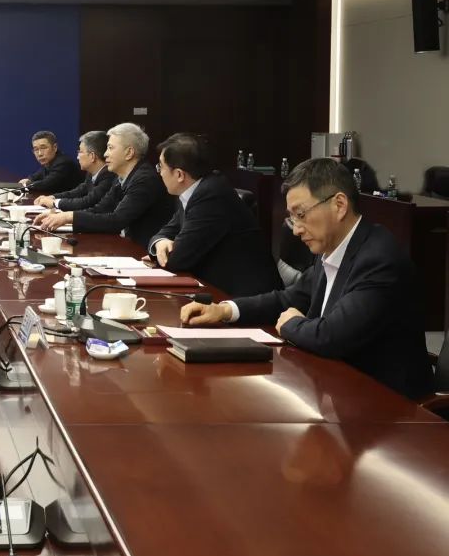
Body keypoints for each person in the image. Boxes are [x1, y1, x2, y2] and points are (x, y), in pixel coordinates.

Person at [180, 158, 433, 400]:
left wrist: (291, 324)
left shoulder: (378, 260)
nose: (297, 229)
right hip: (337, 387)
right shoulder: (334, 249)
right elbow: (288, 299)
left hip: (388, 407)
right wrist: (225, 310)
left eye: (301, 214)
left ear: (339, 205)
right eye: (293, 217)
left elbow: (331, 336)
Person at [147, 133, 280, 296]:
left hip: (247, 297)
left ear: (179, 175)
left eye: (161, 166)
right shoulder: (195, 190)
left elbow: (178, 259)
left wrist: (164, 250)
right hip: (218, 287)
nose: (159, 173)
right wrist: (160, 242)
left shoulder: (211, 196)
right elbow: (167, 231)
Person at [38, 122, 174, 247]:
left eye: (110, 148)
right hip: (125, 246)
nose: (105, 154)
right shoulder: (122, 177)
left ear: (129, 153)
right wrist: (63, 216)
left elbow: (117, 220)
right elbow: (101, 208)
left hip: (142, 252)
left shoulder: (144, 179)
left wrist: (69, 217)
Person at [35, 130, 116, 211]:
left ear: (92, 156)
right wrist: (52, 197)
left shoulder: (108, 176)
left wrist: (54, 202)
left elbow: (87, 201)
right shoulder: (91, 173)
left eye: (80, 152)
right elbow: (78, 192)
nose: (77, 157)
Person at [17, 131, 82, 194]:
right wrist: (29, 180)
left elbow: (46, 184)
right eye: (36, 149)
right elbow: (38, 175)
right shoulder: (49, 162)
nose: (40, 154)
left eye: (43, 148)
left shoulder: (63, 163)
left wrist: (26, 185)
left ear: (55, 147)